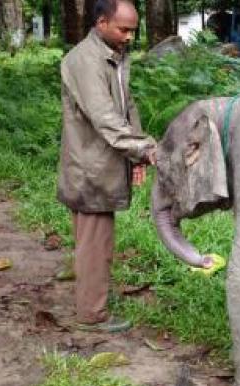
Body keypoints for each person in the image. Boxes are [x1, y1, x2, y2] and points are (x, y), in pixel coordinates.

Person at [57, 0, 157, 333]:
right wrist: (145, 147)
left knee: (94, 242)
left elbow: (127, 107)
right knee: (95, 245)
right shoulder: (86, 61)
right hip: (92, 168)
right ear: (101, 22)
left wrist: (136, 154)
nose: (129, 36)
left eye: (132, 30)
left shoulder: (112, 55)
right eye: (123, 29)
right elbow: (104, 117)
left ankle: (91, 301)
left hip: (105, 163)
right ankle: (91, 315)